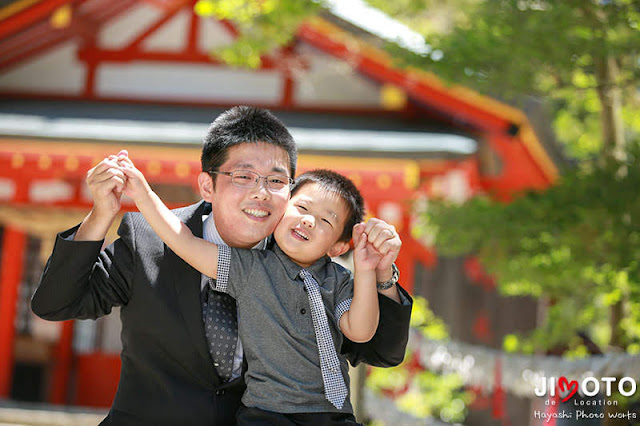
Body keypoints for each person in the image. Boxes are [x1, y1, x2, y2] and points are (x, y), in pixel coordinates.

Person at [31, 106, 412, 425]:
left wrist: (380, 275)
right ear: (207, 185)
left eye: (276, 180)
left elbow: (380, 351)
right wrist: (101, 216)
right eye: (243, 176)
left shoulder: (311, 268)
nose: (261, 191)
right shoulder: (148, 238)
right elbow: (56, 304)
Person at [122, 158, 392, 424]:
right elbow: (188, 245)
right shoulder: (250, 267)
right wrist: (144, 196)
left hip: (332, 413)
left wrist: (367, 270)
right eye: (302, 208)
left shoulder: (340, 279)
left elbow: (360, 331)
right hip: (267, 413)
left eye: (325, 221)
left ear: (338, 247)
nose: (309, 220)